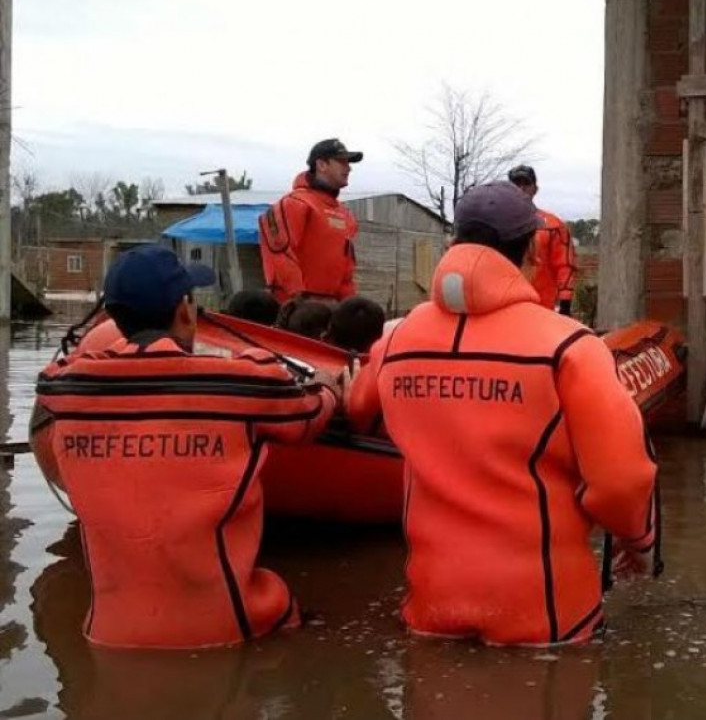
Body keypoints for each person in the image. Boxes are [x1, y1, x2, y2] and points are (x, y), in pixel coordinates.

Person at [345, 181, 658, 647]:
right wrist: (639, 542)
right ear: (533, 248)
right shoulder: (571, 346)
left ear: (453, 245)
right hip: (547, 614)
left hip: (431, 605)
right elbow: (620, 481)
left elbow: (359, 413)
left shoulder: (396, 340)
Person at [30, 245, 342, 649]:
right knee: (300, 619)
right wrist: (332, 390)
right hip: (228, 628)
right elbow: (308, 417)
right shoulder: (240, 384)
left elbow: (62, 379)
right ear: (184, 310)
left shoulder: (63, 390)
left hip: (106, 634)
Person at [259, 138, 363, 304]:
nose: (348, 168)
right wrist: (297, 298)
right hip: (294, 307)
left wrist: (350, 305)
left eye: (349, 163)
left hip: (330, 308)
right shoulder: (294, 203)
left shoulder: (345, 214)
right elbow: (279, 254)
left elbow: (346, 269)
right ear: (321, 165)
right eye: (342, 161)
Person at [507, 165, 578, 316]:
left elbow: (565, 265)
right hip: (506, 307)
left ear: (535, 189)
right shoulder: (496, 224)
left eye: (526, 184)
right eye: (516, 184)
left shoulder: (553, 226)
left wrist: (565, 303)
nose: (521, 188)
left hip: (542, 309)